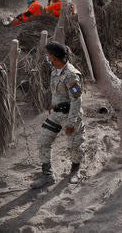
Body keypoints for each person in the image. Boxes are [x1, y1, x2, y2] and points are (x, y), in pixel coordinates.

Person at [30, 42, 85, 189]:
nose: (46, 57)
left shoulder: (71, 74)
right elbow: (57, 92)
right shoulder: (55, 70)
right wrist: (53, 104)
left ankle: (75, 171)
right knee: (43, 141)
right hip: (55, 114)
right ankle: (47, 175)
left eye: (47, 55)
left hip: (70, 116)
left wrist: (72, 122)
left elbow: (76, 99)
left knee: (74, 145)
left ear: (53, 57)